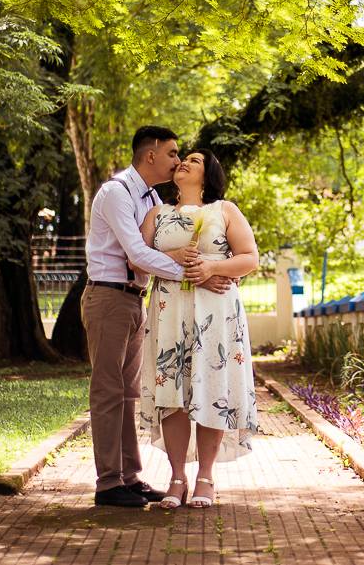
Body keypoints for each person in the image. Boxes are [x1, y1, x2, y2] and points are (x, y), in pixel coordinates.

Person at [82, 126, 230, 508]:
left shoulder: (149, 197)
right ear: (151, 156)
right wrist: (191, 273)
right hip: (108, 298)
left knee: (128, 393)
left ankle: (129, 478)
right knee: (107, 392)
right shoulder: (117, 192)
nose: (178, 161)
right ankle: (108, 484)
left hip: (135, 301)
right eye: (173, 154)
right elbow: (135, 252)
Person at [137, 149, 260, 509]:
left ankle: (206, 477)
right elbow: (137, 256)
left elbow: (250, 258)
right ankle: (177, 478)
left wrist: (210, 269)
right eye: (183, 158)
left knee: (211, 388)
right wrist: (172, 260)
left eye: (194, 160)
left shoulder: (225, 210)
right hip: (168, 310)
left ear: (207, 175)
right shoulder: (157, 213)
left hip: (216, 315)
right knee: (172, 391)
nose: (184, 163)